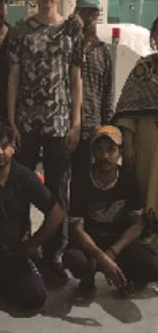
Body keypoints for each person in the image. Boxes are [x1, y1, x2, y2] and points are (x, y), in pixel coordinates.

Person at [7, 0, 83, 278]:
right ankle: (22, 246)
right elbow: (13, 77)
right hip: (26, 123)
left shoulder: (72, 31)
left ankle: (54, 254)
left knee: (57, 190)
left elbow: (76, 80)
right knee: (20, 188)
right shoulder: (21, 31)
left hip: (59, 124)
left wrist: (76, 123)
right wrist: (11, 121)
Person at [0, 118, 63, 309]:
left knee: (36, 296)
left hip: (12, 252)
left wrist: (32, 245)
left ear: (13, 147)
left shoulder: (25, 177)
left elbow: (56, 213)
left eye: (4, 146)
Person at [64, 126, 158, 295]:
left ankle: (129, 278)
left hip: (118, 241)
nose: (105, 156)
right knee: (76, 260)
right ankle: (88, 279)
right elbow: (76, 228)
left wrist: (113, 251)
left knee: (153, 266)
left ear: (120, 152)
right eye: (100, 149)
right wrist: (102, 257)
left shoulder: (128, 179)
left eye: (111, 150)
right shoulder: (81, 179)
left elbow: (137, 224)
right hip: (90, 242)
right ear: (93, 151)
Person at [113, 15, 158, 235]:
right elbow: (127, 109)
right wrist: (128, 144)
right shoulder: (144, 68)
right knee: (145, 185)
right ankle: (145, 235)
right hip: (146, 140)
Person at [71, 0, 113, 186]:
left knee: (89, 180)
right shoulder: (67, 46)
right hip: (66, 126)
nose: (88, 18)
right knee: (62, 179)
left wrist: (107, 127)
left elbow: (107, 91)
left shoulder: (103, 51)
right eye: (84, 12)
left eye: (92, 13)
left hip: (93, 128)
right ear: (76, 13)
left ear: (98, 16)